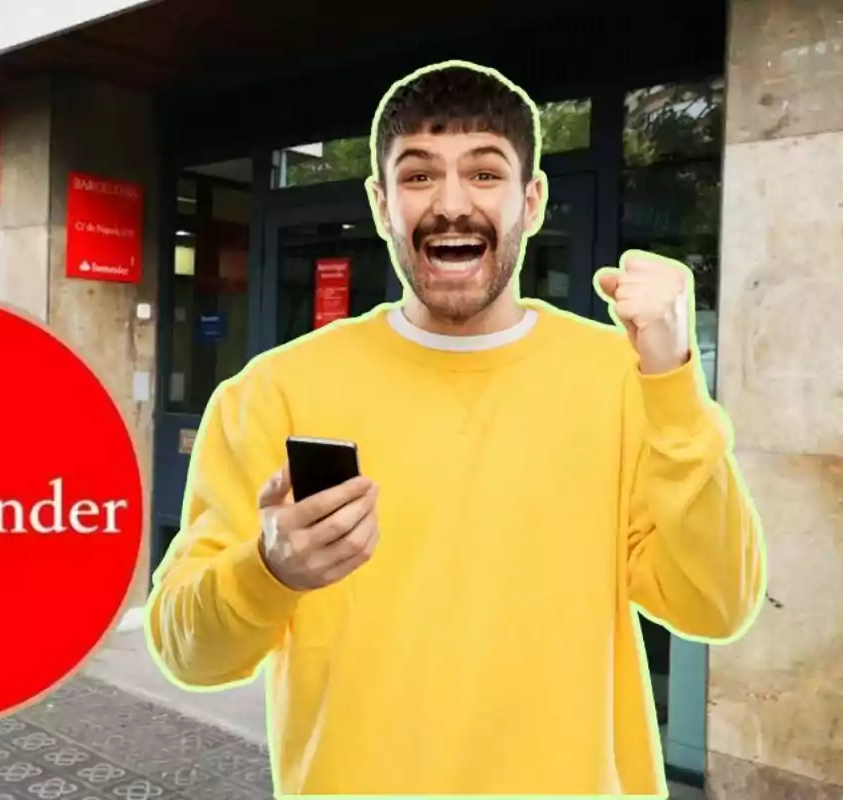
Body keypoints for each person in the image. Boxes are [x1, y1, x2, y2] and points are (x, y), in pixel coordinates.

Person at [144, 60, 765, 797]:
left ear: (531, 201)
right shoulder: (273, 392)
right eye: (417, 176)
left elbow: (715, 605)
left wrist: (674, 382)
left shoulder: (621, 378)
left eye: (484, 173)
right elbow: (189, 653)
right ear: (380, 204)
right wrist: (268, 569)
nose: (450, 203)